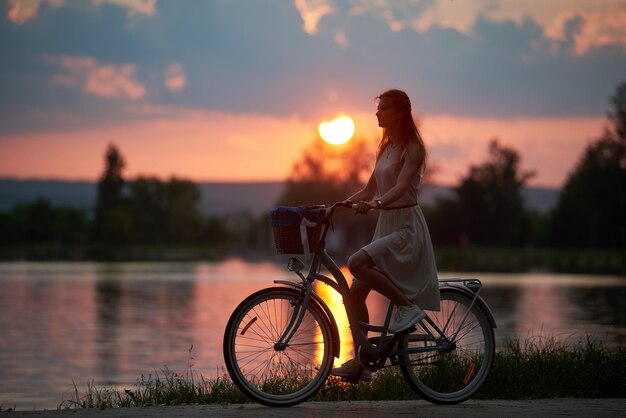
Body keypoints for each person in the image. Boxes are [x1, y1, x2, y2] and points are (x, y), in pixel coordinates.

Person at [331, 89, 441, 382]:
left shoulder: (412, 147)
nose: (377, 113)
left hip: (406, 228)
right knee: (355, 293)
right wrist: (334, 208)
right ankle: (362, 363)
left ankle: (407, 308)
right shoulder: (385, 147)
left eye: (384, 108)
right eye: (377, 108)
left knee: (355, 263)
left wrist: (377, 204)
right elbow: (368, 191)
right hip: (387, 224)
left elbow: (402, 187)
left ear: (401, 113)